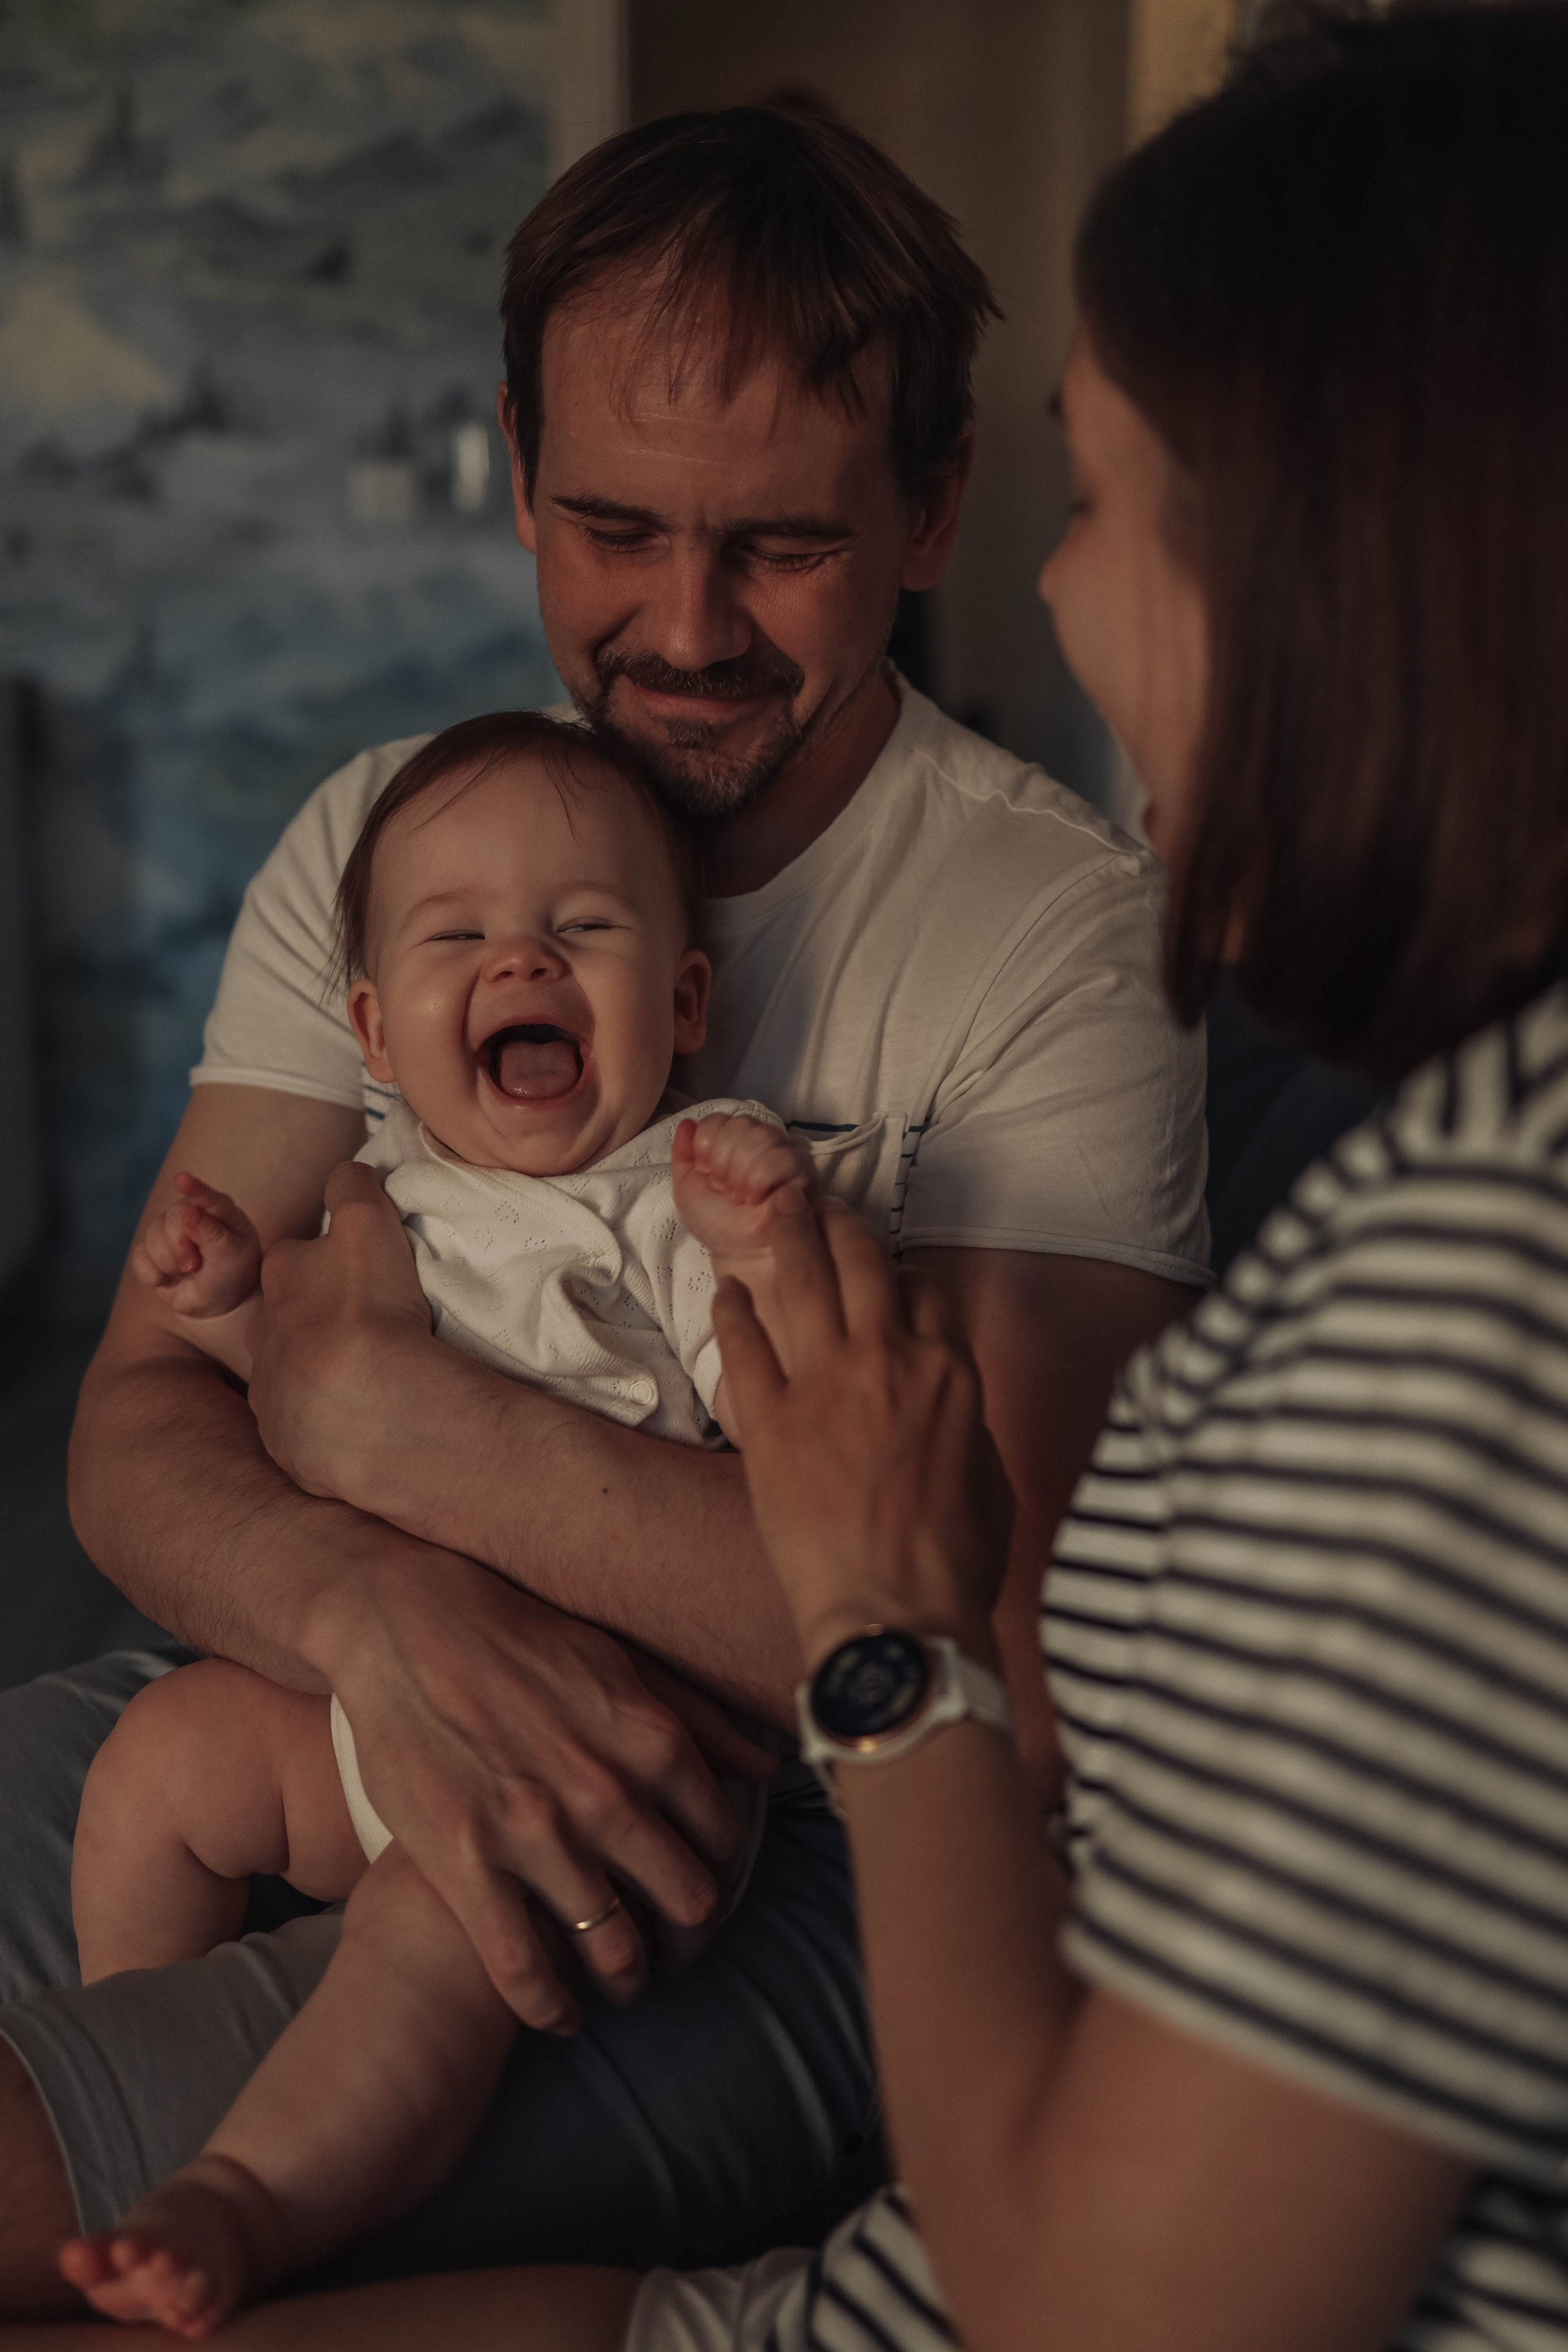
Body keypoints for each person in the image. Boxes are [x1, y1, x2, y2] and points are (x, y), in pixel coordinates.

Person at [10, 3, 1562, 2346]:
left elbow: (991, 1659)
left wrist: (397, 1429)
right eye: (615, 527)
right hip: (297, 1687)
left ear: (925, 513)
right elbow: (134, 1429)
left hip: (782, 1838)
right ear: (517, 471)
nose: (686, 624)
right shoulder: (386, 838)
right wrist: (362, 1607)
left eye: (786, 546)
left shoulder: (1074, 950)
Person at [59, 709, 818, 2337]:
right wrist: (232, 1303)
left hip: (606, 1754)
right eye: (457, 936)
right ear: (376, 1037)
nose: (519, 961)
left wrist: (780, 1260)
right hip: (365, 1705)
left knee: (430, 1938)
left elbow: (808, 1473)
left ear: (682, 1004)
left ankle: (248, 2197)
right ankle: (134, 2060)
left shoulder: (667, 1211)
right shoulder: (375, 1199)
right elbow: (292, 1395)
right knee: (154, 1777)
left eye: (585, 929)